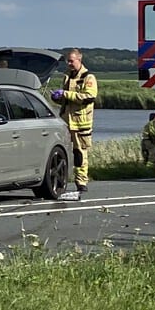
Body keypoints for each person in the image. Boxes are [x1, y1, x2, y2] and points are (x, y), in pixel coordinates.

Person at [50, 48, 98, 200]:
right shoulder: (67, 77)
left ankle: (81, 183)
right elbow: (65, 100)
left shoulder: (88, 77)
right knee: (62, 152)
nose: (69, 64)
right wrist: (57, 97)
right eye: (67, 61)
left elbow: (89, 97)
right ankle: (60, 180)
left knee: (80, 153)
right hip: (66, 121)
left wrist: (66, 94)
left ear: (79, 59)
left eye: (71, 61)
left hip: (81, 123)